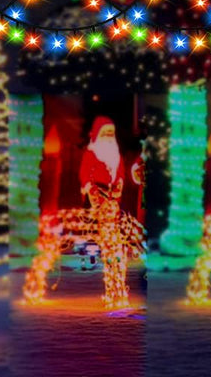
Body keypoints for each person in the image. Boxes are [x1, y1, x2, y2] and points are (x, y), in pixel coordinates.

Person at [80, 117, 129, 308]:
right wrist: (90, 190)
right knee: (108, 241)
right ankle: (112, 286)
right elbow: (85, 174)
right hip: (99, 198)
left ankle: (117, 285)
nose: (109, 135)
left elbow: (122, 172)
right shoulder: (91, 152)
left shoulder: (116, 154)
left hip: (113, 199)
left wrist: (120, 185)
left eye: (111, 132)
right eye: (105, 132)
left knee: (115, 241)